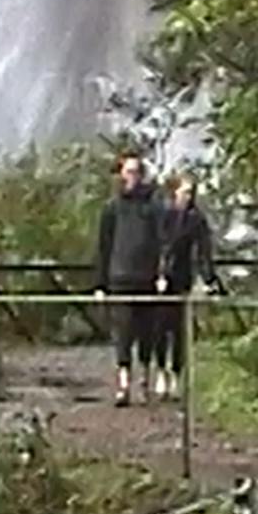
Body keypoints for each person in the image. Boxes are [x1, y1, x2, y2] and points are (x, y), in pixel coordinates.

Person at [93, 152, 165, 407]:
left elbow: (161, 241)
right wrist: (100, 283)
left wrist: (161, 273)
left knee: (147, 334)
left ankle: (144, 382)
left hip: (145, 279)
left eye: (136, 172)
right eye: (128, 172)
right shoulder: (112, 208)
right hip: (119, 279)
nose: (132, 177)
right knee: (122, 334)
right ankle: (123, 385)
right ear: (121, 175)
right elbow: (103, 246)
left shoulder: (153, 207)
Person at [152, 173, 223, 401]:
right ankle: (161, 370)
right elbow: (156, 246)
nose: (188, 196)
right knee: (159, 329)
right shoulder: (163, 215)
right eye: (184, 192)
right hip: (159, 280)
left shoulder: (196, 219)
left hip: (183, 278)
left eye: (192, 192)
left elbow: (204, 251)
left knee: (180, 330)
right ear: (174, 193)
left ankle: (176, 373)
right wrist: (157, 273)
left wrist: (209, 279)